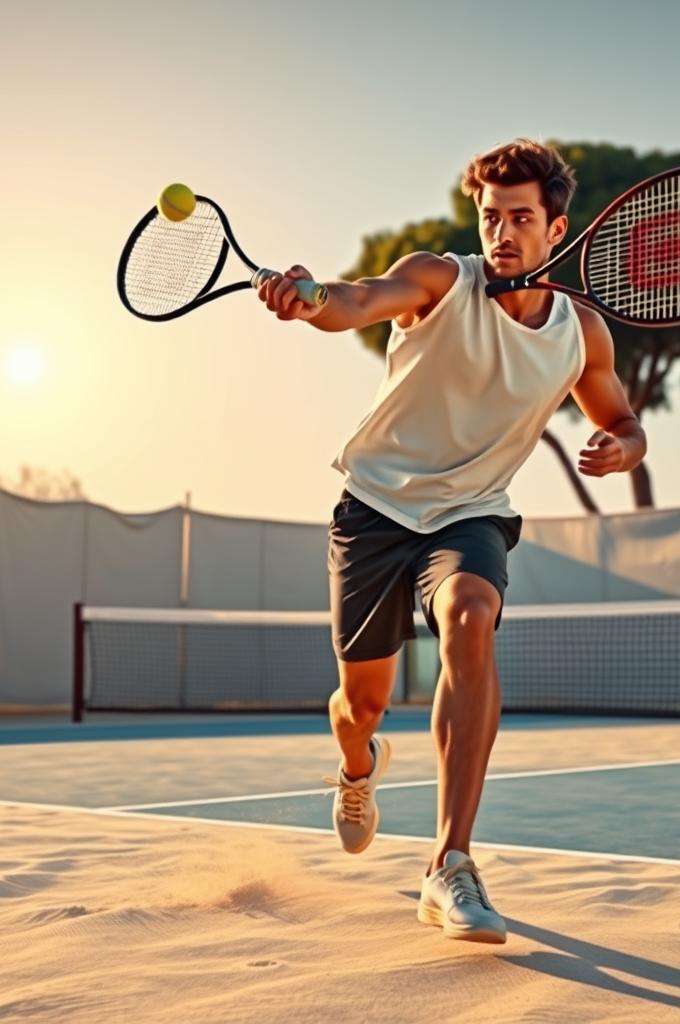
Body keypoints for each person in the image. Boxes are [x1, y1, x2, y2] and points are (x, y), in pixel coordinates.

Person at [254, 139, 646, 944]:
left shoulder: (582, 334)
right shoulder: (440, 278)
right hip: (373, 511)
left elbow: (623, 420)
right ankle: (359, 765)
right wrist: (309, 295)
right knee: (360, 705)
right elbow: (358, 299)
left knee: (471, 615)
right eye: (491, 217)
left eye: (521, 218)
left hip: (471, 512)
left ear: (555, 227)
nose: (502, 232)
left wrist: (623, 449)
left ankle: (450, 862)